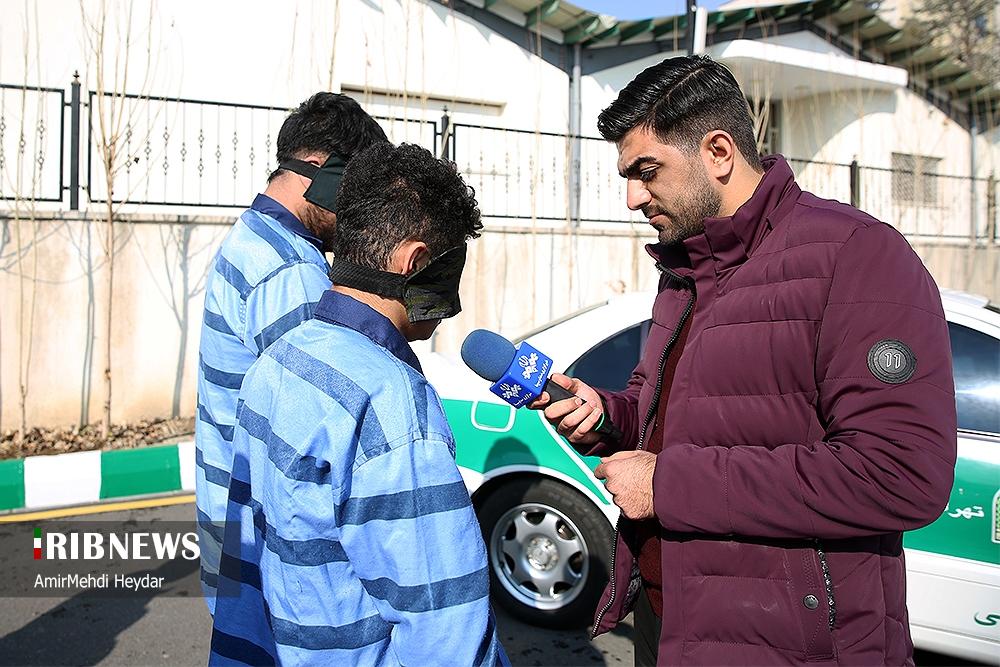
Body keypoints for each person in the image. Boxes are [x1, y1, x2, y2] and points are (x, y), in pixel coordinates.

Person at [532, 55, 956, 666]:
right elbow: (682, 427)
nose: (630, 198)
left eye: (646, 171)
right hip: (669, 622)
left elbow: (900, 475)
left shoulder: (858, 256)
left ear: (719, 152)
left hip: (789, 646)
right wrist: (607, 417)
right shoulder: (683, 272)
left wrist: (668, 486)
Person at [209, 142, 509, 666]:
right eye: (451, 269)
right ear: (414, 261)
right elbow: (445, 631)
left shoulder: (279, 359)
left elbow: (249, 558)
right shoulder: (391, 404)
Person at [194, 92, 387, 614]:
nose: (357, 212)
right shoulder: (291, 273)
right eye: (355, 190)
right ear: (321, 170)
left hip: (234, 523)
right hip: (273, 552)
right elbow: (314, 433)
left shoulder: (254, 235)